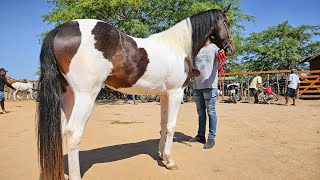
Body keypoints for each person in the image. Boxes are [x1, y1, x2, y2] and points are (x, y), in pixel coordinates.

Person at [188, 38, 219, 149]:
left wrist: (223, 57)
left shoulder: (214, 48)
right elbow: (190, 65)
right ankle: (201, 135)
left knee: (211, 112)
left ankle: (211, 138)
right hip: (197, 86)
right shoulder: (196, 49)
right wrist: (192, 71)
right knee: (200, 112)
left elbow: (223, 57)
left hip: (210, 85)